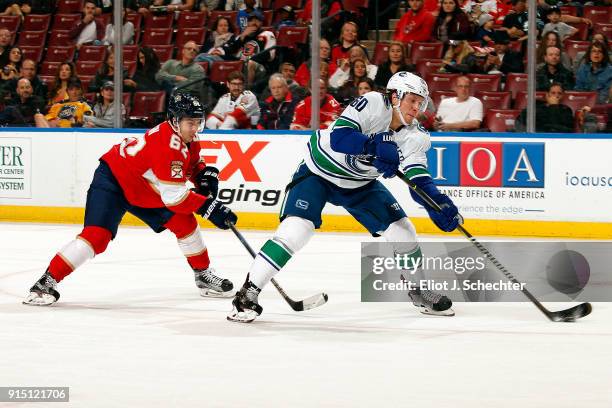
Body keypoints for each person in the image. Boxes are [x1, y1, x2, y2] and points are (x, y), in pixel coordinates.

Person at [228, 71, 461, 323]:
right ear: (395, 96)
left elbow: (418, 178)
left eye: (421, 102)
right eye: (412, 100)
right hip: (320, 172)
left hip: (360, 184)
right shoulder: (372, 102)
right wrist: (373, 146)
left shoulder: (416, 136)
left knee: (404, 231)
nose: (417, 108)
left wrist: (437, 203)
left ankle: (418, 290)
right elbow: (340, 137)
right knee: (296, 231)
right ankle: (247, 294)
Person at [24, 92, 238, 306]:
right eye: (190, 123)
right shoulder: (167, 145)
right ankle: (45, 282)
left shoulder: (187, 137)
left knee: (185, 222)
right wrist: (210, 208)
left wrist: (203, 176)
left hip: (143, 188)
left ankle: (202, 275)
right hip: (114, 180)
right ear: (174, 120)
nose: (195, 128)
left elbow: (191, 164)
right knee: (96, 237)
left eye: (198, 122)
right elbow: (175, 198)